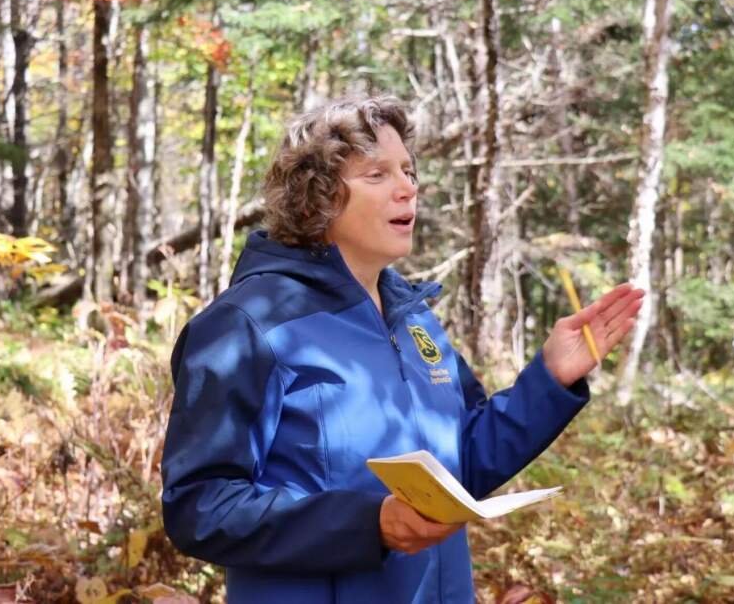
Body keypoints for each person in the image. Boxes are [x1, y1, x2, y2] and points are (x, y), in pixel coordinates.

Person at [161, 95, 644, 603]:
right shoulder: (249, 324)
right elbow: (201, 504)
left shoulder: (415, 318)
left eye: (409, 172)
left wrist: (550, 379)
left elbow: (463, 468)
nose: (406, 189)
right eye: (377, 175)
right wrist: (370, 524)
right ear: (314, 198)